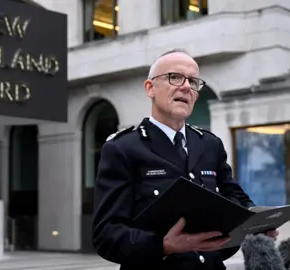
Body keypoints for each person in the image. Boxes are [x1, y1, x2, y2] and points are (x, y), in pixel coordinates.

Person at [92, 48, 278, 270]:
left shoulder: (210, 145)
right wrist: (164, 246)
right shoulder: (123, 148)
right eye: (175, 77)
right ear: (150, 88)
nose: (186, 86)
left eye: (193, 81)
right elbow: (106, 234)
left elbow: (235, 198)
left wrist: (259, 222)